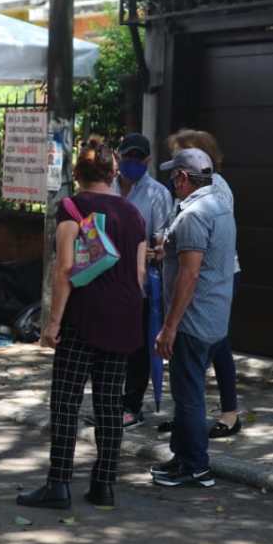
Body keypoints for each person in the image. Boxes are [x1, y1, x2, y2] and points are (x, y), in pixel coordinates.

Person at [17, 141, 147, 510]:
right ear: (113, 174)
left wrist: (52, 323)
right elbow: (139, 273)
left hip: (82, 318)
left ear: (77, 174)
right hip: (123, 317)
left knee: (66, 401)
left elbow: (64, 269)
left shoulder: (72, 208)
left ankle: (58, 484)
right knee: (109, 403)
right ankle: (104, 485)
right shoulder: (133, 214)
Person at [150, 148, 238, 488]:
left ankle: (195, 465)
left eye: (174, 176)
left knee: (188, 395)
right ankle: (183, 456)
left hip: (193, 319)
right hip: (214, 316)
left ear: (184, 178)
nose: (172, 183)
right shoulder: (220, 206)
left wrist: (169, 327)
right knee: (189, 392)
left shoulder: (193, 215)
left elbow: (189, 274)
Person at [113, 132, 172, 428]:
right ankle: (109, 402)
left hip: (140, 284)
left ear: (147, 161)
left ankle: (131, 405)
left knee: (137, 348)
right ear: (117, 157)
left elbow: (162, 242)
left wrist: (154, 251)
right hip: (106, 281)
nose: (132, 163)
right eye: (128, 157)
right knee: (109, 344)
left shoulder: (157, 194)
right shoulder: (107, 188)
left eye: (138, 159)